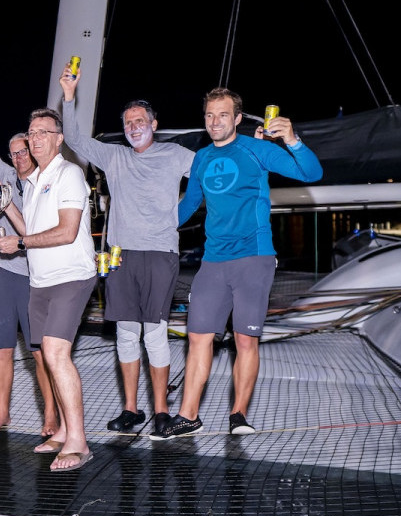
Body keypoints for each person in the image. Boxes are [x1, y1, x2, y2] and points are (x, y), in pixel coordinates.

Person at [152, 87, 323, 440]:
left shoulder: (256, 149)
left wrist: (292, 139)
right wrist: (153, 226)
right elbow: (189, 205)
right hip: (213, 259)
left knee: (246, 340)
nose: (215, 121)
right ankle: (188, 417)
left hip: (253, 256)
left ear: (238, 118)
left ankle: (239, 414)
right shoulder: (200, 158)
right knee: (198, 337)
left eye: (223, 114)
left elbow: (311, 173)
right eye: (210, 115)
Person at [59, 66, 195, 437]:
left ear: (154, 123)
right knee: (126, 332)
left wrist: (178, 216)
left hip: (159, 252)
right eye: (128, 121)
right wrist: (69, 97)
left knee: (155, 330)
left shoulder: (175, 155)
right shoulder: (115, 157)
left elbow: (210, 177)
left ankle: (162, 411)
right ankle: (131, 410)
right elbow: (73, 138)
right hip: (120, 254)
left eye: (140, 120)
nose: (134, 126)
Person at [0, 106, 97, 472]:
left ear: (59, 138)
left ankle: (78, 442)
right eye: (31, 132)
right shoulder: (34, 181)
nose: (35, 139)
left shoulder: (68, 174)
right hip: (40, 282)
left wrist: (20, 246)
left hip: (70, 276)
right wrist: (8, 207)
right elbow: (30, 231)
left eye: (43, 132)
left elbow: (67, 231)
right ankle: (64, 431)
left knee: (55, 353)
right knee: (47, 356)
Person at [0, 81, 58, 437]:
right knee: (1, 350)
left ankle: (50, 416)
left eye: (24, 150)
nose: (20, 157)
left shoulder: (47, 181)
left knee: (40, 352)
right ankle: (2, 413)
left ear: (34, 151)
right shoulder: (2, 177)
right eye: (14, 152)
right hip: (2, 274)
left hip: (37, 276)